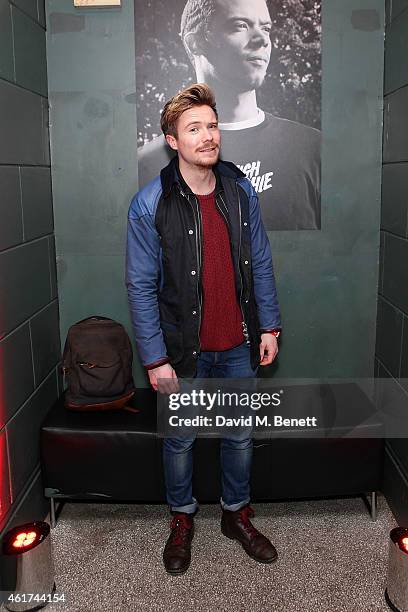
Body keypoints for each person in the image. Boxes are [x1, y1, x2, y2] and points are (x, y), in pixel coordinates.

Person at [126, 83, 281, 575]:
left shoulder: (239, 190)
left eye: (212, 125)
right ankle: (182, 519)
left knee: (238, 437)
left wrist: (269, 326)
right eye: (194, 128)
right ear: (172, 140)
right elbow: (140, 286)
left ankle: (236, 515)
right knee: (181, 441)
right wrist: (154, 358)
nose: (208, 135)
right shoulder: (150, 203)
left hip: (237, 344)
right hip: (182, 351)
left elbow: (260, 261)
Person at [137, 0, 321, 231]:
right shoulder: (148, 164)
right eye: (240, 25)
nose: (262, 40)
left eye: (265, 28)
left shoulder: (312, 148)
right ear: (194, 42)